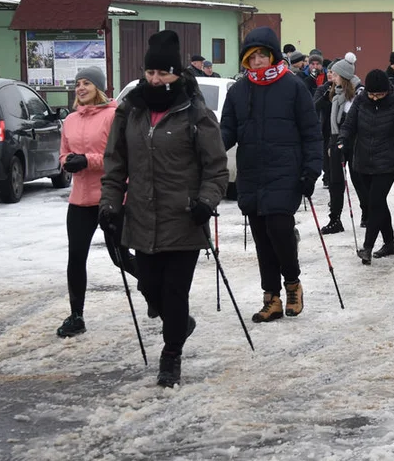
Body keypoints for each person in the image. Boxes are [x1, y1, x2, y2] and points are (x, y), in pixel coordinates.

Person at [100, 31, 229, 387]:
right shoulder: (131, 109)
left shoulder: (195, 112)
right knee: (149, 287)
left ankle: (171, 356)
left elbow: (216, 167)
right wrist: (110, 204)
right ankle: (180, 323)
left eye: (163, 74)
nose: (155, 80)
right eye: (150, 73)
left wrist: (206, 201)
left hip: (183, 219)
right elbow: (115, 164)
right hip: (140, 217)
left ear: (177, 74)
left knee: (174, 293)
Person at [220, 26, 323, 322]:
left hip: (285, 171)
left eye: (262, 56)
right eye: (251, 57)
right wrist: (208, 148)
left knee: (279, 231)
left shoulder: (293, 87)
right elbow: (227, 129)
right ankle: (271, 298)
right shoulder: (239, 90)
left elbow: (311, 132)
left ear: (273, 56)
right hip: (251, 173)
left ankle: (292, 283)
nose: (257, 62)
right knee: (262, 238)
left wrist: (311, 169)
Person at [56, 67, 123, 338]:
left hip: (110, 197)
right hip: (80, 200)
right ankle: (76, 315)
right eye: (77, 84)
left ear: (99, 88)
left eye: (87, 83)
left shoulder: (113, 116)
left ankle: (155, 294)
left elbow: (117, 156)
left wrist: (88, 160)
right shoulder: (70, 120)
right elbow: (63, 153)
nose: (80, 88)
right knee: (76, 259)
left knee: (121, 257)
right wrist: (68, 162)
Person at [339, 69, 394, 264]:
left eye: (379, 94)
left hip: (387, 162)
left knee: (375, 203)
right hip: (362, 160)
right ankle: (389, 244)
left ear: (387, 91)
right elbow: (349, 125)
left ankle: (367, 247)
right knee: (377, 203)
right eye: (372, 94)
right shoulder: (361, 100)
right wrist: (343, 140)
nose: (374, 98)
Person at [317, 56, 362, 234]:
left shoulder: (358, 93)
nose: (331, 77)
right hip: (336, 140)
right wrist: (331, 143)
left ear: (343, 75)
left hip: (356, 142)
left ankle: (367, 213)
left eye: (334, 74)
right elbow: (321, 111)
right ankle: (335, 219)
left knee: (358, 179)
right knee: (336, 182)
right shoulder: (335, 94)